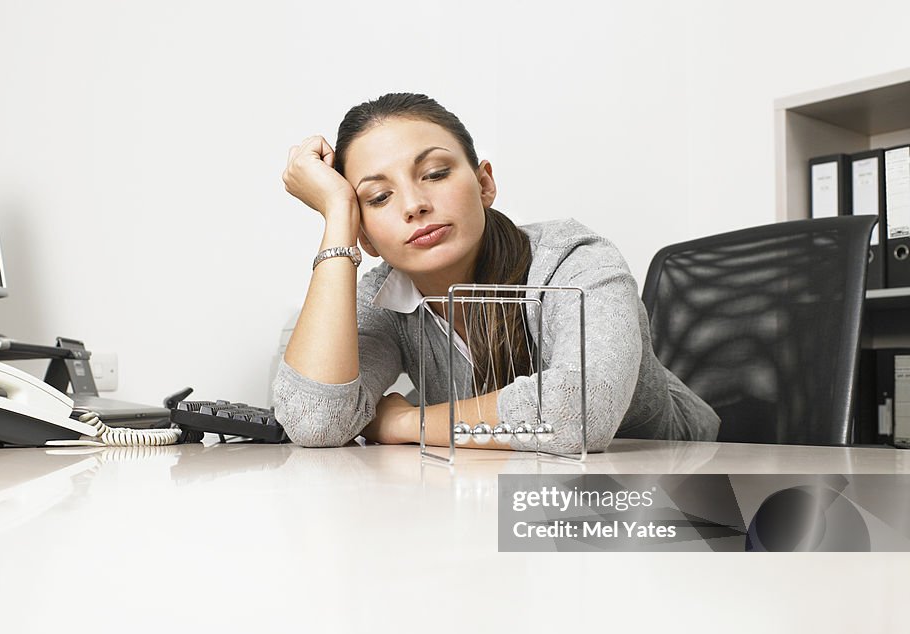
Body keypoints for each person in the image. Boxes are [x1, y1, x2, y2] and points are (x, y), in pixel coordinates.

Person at [273, 93, 719, 452]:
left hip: (687, 481)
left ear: (484, 183)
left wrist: (409, 421)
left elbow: (580, 415)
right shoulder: (386, 298)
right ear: (366, 236)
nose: (414, 205)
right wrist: (337, 217)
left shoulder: (575, 259)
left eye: (435, 173)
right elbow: (316, 422)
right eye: (377, 198)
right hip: (518, 489)